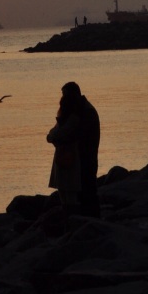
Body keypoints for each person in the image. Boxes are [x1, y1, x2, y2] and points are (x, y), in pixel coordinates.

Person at [47, 81, 100, 218]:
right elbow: (56, 133)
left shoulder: (83, 112)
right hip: (74, 160)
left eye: (65, 94)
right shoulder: (76, 111)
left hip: (83, 160)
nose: (63, 98)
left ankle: (86, 224)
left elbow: (69, 134)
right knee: (78, 196)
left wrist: (55, 138)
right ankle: (80, 224)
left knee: (84, 195)